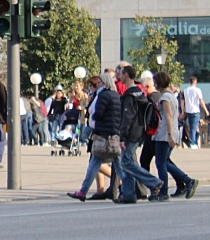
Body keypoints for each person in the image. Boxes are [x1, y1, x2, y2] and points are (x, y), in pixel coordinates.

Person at [67, 70, 123, 202]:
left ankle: (133, 188)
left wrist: (93, 119)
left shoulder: (103, 95)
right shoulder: (115, 95)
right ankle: (83, 191)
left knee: (106, 164)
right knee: (108, 164)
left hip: (103, 134)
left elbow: (98, 113)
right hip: (113, 133)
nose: (98, 85)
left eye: (100, 82)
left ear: (105, 83)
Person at [113, 64, 161, 204]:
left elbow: (127, 117)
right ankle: (128, 194)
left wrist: (122, 136)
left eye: (121, 73)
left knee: (126, 162)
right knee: (127, 162)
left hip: (131, 133)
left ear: (126, 75)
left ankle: (154, 182)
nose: (119, 76)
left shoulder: (129, 95)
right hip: (139, 131)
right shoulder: (140, 92)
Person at [151, 71, 198, 201]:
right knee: (165, 161)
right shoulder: (171, 95)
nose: (154, 84)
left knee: (161, 163)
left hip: (165, 133)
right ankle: (186, 182)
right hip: (169, 132)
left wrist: (170, 135)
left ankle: (167, 189)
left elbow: (168, 116)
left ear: (159, 82)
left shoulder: (165, 97)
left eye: (155, 82)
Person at [181, 76, 204, 148]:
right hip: (195, 110)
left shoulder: (185, 90)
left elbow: (182, 101)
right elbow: (201, 101)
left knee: (191, 127)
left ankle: (192, 141)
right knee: (194, 127)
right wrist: (206, 110)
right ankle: (193, 142)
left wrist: (182, 111)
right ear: (195, 82)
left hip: (188, 110)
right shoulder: (197, 90)